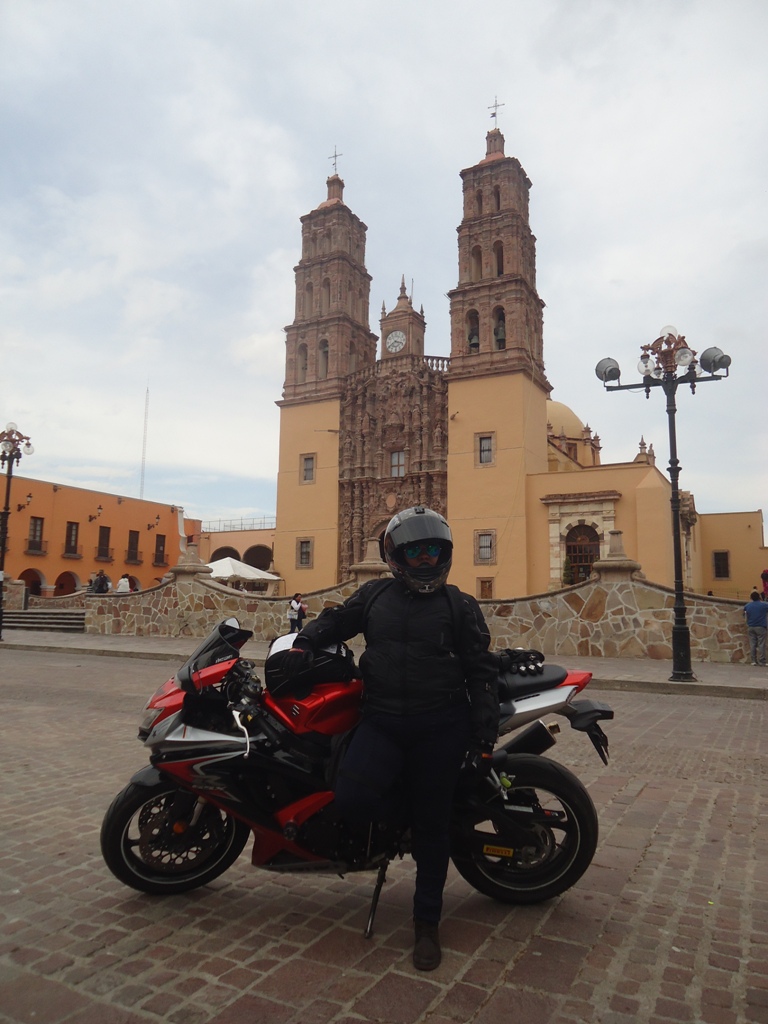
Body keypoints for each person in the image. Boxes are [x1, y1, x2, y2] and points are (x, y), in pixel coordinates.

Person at [283, 506, 499, 971]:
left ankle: (426, 923)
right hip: (381, 721)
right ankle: (409, 819)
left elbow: (481, 672)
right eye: (415, 552)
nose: (425, 561)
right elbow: (338, 621)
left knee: (433, 830)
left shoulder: (459, 605)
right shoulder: (375, 595)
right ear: (396, 556)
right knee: (352, 797)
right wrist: (303, 642)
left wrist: (483, 736)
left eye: (433, 552)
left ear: (445, 555)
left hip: (440, 726)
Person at [744, 591, 768, 666]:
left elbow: (744, 615)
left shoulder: (747, 606)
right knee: (761, 644)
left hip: (751, 626)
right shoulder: (764, 605)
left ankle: (753, 660)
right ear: (759, 597)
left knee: (752, 644)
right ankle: (762, 661)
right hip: (761, 626)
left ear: (751, 598)